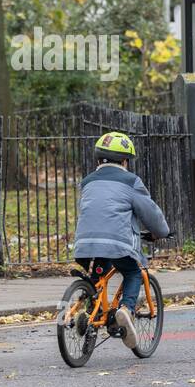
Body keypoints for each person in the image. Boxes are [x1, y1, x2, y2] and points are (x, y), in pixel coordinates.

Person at [71, 131, 169, 349]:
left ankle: (89, 315)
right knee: (133, 271)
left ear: (98, 160)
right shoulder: (131, 181)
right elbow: (150, 213)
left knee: (97, 278)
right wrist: (161, 231)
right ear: (125, 161)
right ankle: (126, 309)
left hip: (84, 244)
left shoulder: (87, 182)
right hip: (117, 243)